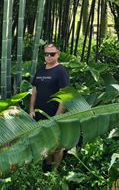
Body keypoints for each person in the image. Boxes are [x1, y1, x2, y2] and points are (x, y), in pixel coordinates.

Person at [30, 43, 70, 171]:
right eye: (46, 54)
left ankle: (55, 172)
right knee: (44, 141)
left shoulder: (61, 71)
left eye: (52, 54)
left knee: (57, 143)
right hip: (40, 113)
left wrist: (58, 115)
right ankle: (47, 166)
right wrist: (31, 109)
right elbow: (34, 91)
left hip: (54, 114)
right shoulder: (40, 70)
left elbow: (65, 95)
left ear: (58, 55)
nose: (48, 56)